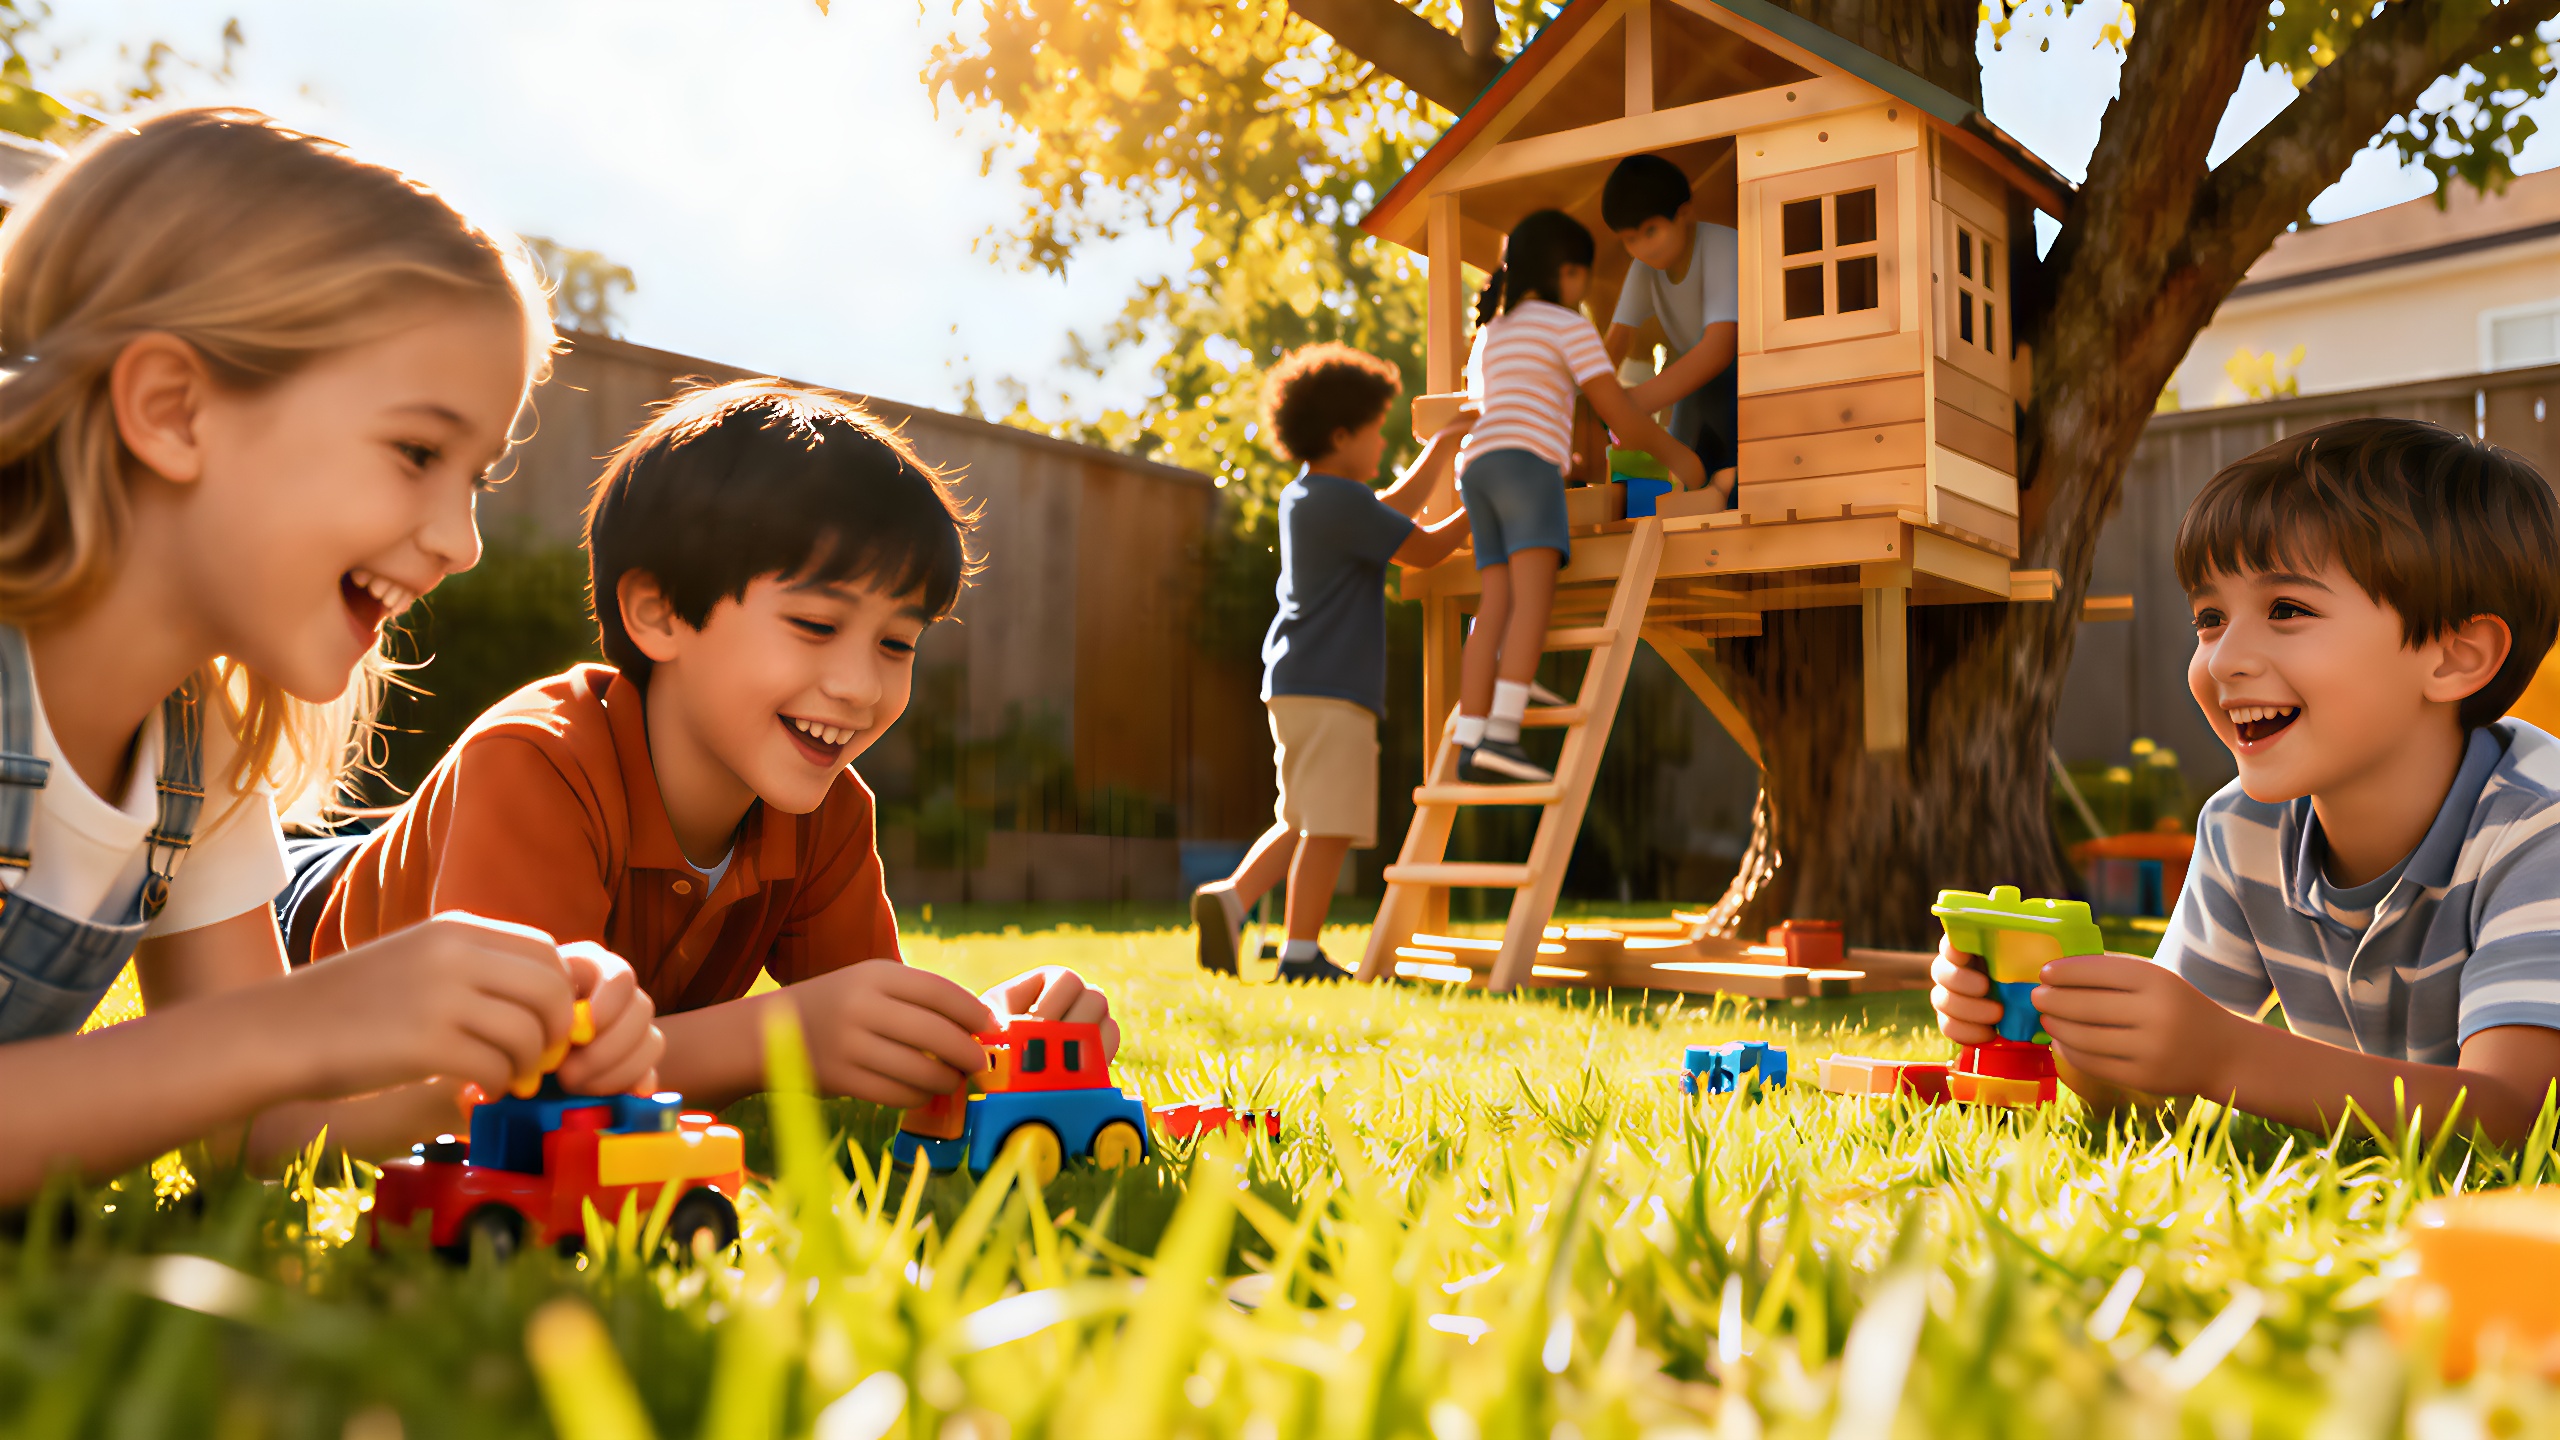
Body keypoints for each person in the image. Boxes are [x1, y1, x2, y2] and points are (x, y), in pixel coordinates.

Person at [0, 108, 663, 1201]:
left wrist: (484, 1069)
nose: (462, 541)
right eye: (416, 451)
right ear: (173, 411)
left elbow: (251, 1125)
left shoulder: (192, 743)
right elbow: (254, 1053)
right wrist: (301, 1023)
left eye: (477, 476)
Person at [281, 380, 1113, 1113]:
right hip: (306, 901)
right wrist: (779, 1040)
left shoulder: (826, 812)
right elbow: (521, 1080)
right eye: (817, 626)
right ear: (660, 614)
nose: (862, 685)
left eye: (897, 643)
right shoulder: (533, 764)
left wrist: (1000, 1034)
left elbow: (864, 1021)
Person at [1932, 419, 2560, 1144]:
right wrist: (2053, 1017)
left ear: (2454, 657)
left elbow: (2514, 1118)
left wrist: (2224, 1053)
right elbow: (2151, 1098)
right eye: (2209, 618)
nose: (2223, 659)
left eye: (2287, 610)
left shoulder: (2536, 830)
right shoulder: (2244, 829)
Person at [1191, 344, 1470, 981]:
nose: (1381, 445)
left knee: (1299, 816)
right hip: (1332, 686)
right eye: (1376, 432)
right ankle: (1300, 953)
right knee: (1330, 825)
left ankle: (1232, 901)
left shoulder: (1313, 497)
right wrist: (1484, 506)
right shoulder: (1338, 503)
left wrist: (1444, 449)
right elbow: (1422, 549)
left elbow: (1391, 509)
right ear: (1342, 435)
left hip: (1297, 682)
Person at [1453, 210, 1702, 785]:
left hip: (1479, 468)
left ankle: (1470, 735)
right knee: (1534, 599)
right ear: (1567, 272)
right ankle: (1502, 735)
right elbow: (1618, 412)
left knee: (1494, 603)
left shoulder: (1495, 329)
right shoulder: (1566, 326)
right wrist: (1677, 457)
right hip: (1526, 467)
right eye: (1584, 280)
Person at [1601, 154, 1741, 497]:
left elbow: (1720, 347)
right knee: (1687, 476)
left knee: (1740, 474)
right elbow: (1616, 341)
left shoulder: (1722, 246)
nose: (1643, 248)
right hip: (1691, 384)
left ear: (1685, 214)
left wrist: (1634, 402)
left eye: (1651, 231)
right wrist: (1593, 398)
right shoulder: (1644, 269)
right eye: (1630, 239)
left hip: (1744, 376)